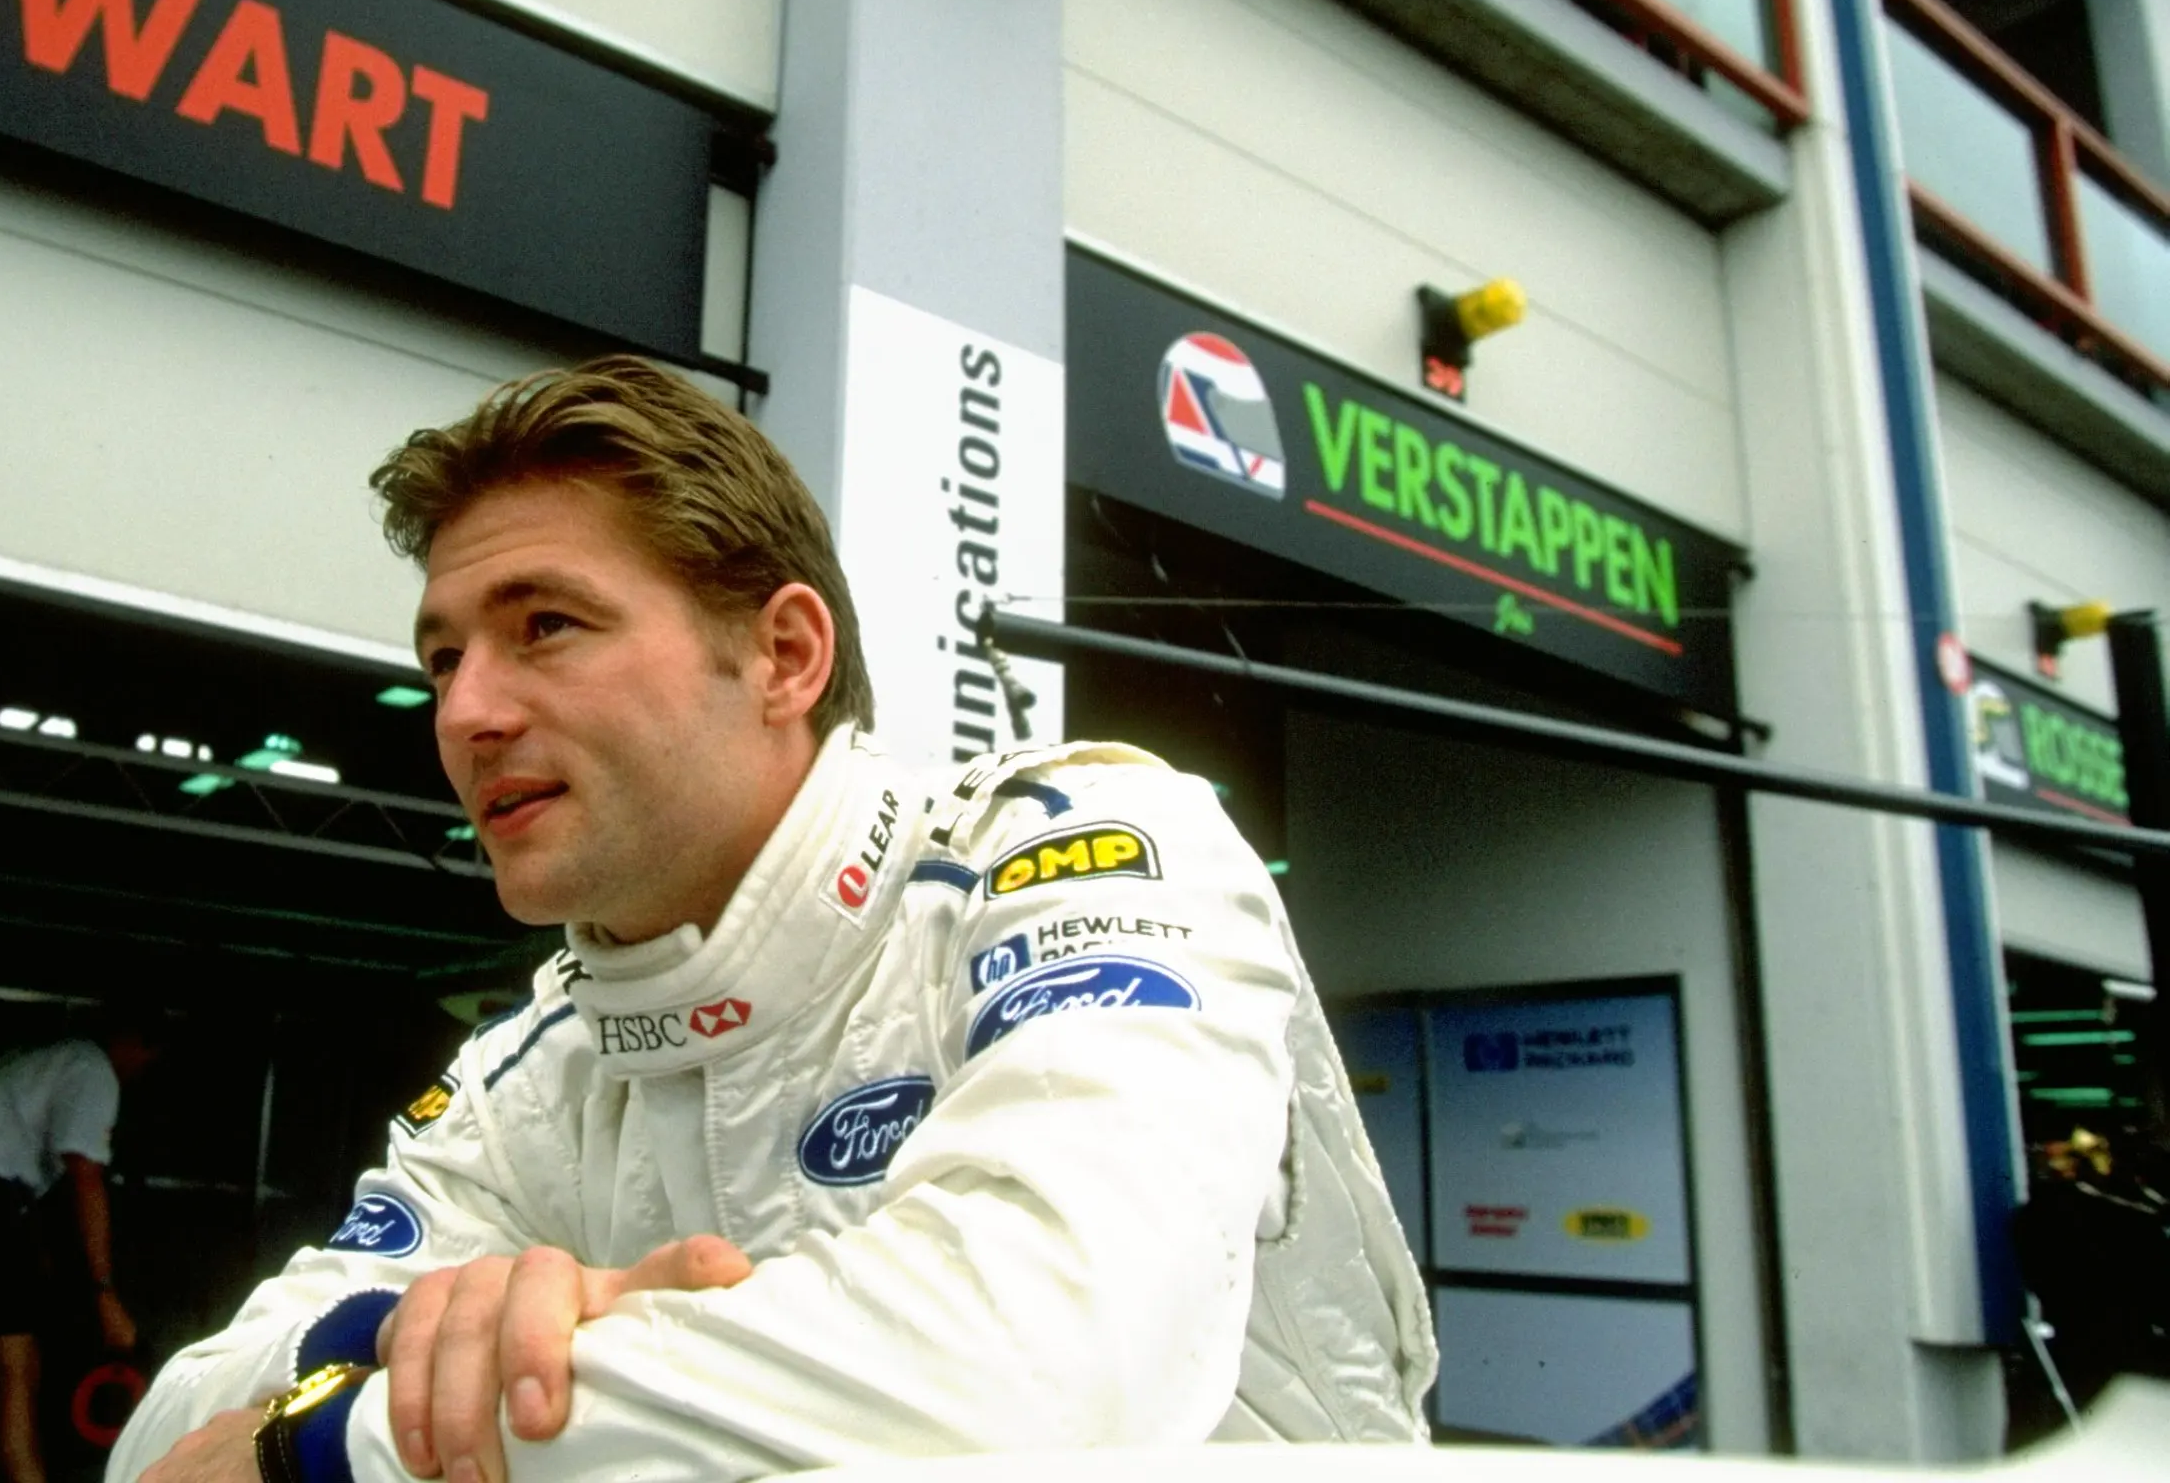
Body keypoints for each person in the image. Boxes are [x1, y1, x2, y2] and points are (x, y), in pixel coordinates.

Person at [112, 358, 1434, 1483]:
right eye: (446, 656)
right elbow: (165, 1437)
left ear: (786, 657)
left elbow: (1026, 1374)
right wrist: (415, 1344)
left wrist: (338, 1445)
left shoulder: (1081, 850)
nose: (464, 714)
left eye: (547, 626)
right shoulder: (537, 1070)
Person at [0, 1021, 158, 1483]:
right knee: (18, 1366)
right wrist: (105, 1295)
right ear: (135, 1042)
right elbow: (85, 1174)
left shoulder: (46, 1055)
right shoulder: (92, 1069)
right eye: (148, 1058)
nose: (143, 1072)